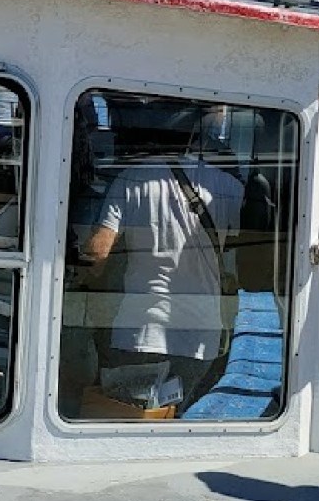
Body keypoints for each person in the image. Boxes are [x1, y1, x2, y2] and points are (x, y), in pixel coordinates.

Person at [82, 150, 244, 408]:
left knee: (127, 421)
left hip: (141, 333)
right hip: (201, 338)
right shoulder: (229, 187)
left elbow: (96, 254)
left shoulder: (131, 179)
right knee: (172, 423)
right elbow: (245, 258)